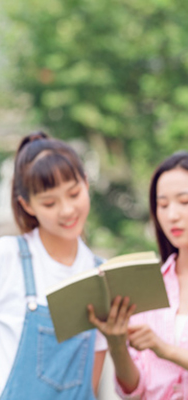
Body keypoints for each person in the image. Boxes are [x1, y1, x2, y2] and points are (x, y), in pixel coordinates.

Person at [0, 132, 107, 400]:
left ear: (86, 183)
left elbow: (91, 383)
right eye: (49, 202)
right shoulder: (3, 256)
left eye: (74, 194)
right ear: (27, 205)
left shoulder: (101, 275)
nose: (67, 210)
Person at [88, 151, 188, 399]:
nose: (172, 215)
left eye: (184, 201)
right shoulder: (149, 285)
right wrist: (117, 345)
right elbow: (134, 389)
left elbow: (162, 351)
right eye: (162, 205)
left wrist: (165, 349)